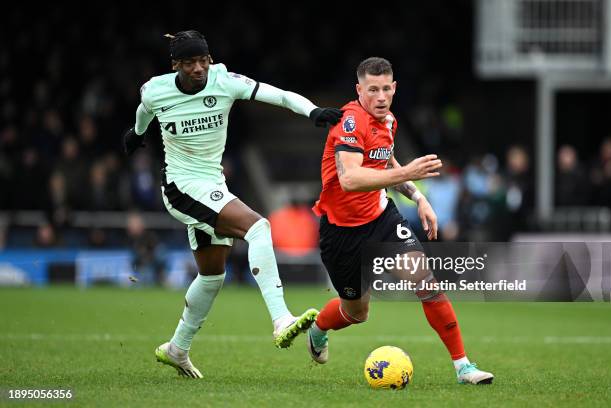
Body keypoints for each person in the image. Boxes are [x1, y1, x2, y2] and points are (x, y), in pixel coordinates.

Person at [123, 30, 343, 378]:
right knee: (259, 227)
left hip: (212, 185)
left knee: (211, 276)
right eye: (191, 62)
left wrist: (312, 111)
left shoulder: (225, 81)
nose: (199, 68)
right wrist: (136, 134)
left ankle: (177, 348)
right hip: (181, 186)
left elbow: (281, 96)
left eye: (203, 60)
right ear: (176, 65)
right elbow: (144, 111)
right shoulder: (156, 90)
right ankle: (281, 319)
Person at [307, 57, 494, 385]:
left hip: (381, 219)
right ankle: (319, 327)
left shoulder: (390, 121)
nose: (380, 97)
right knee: (356, 313)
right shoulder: (349, 122)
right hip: (341, 233)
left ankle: (463, 366)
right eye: (372, 90)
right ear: (359, 90)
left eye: (385, 89)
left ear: (394, 88)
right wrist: (408, 172)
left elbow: (386, 167)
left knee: (425, 281)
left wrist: (419, 197)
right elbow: (349, 178)